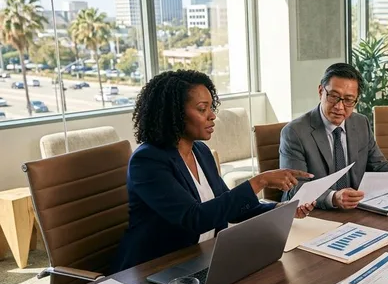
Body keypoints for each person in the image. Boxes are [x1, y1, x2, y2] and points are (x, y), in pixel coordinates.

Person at [114, 70, 314, 271]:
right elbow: (194, 219)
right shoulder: (147, 161)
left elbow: (227, 208)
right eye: (202, 109)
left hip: (202, 257)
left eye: (211, 107)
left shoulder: (200, 151)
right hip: (156, 268)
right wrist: (259, 182)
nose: (212, 116)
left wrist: (281, 210)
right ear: (174, 113)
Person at [280, 63, 388, 209]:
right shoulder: (294, 132)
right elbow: (294, 188)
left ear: (356, 100)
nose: (339, 107)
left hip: (358, 209)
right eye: (333, 96)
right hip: (314, 214)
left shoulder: (360, 123)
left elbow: (378, 164)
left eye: (348, 100)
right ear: (321, 91)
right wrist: (332, 197)